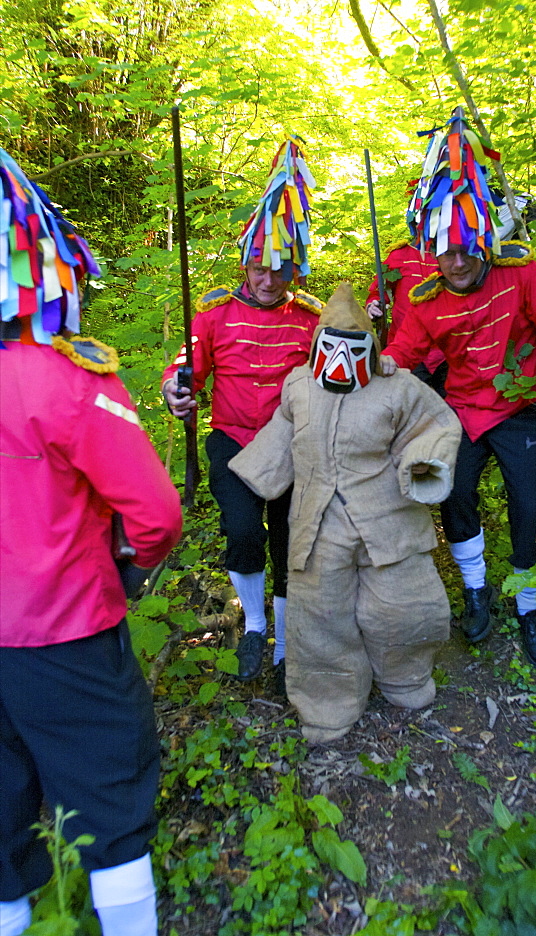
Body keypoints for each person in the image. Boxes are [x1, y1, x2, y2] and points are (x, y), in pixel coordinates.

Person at [0, 149, 183, 936]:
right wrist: (135, 571)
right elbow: (157, 514)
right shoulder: (72, 381)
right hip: (66, 632)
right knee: (111, 810)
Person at [380, 111, 536, 667]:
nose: (459, 261)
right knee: (453, 493)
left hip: (519, 408)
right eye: (447, 251)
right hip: (461, 412)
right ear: (433, 251)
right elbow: (402, 353)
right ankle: (474, 589)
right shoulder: (425, 300)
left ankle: (529, 604)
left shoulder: (519, 272)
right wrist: (370, 371)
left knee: (533, 504)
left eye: (467, 248)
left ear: (482, 240)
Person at [229, 283, 461, 743]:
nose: (338, 359)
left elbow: (436, 424)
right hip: (318, 523)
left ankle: (406, 677)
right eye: (329, 348)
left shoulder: (398, 388)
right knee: (320, 617)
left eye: (350, 349)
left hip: (389, 519)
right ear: (316, 345)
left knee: (404, 606)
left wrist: (423, 464)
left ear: (369, 349)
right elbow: (284, 430)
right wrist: (255, 478)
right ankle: (327, 703)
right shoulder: (298, 385)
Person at [162, 138, 322, 686]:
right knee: (242, 531)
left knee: (288, 540)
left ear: (293, 269)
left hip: (290, 445)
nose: (268, 279)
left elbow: (336, 377)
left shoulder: (309, 320)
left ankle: (286, 640)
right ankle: (254, 625)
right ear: (246, 264)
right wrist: (176, 391)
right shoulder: (213, 315)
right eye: (260, 267)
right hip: (231, 441)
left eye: (280, 268)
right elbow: (186, 366)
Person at [365, 238, 447, 394]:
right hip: (405, 346)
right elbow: (379, 290)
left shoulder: (454, 256)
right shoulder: (400, 254)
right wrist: (373, 304)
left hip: (446, 350)